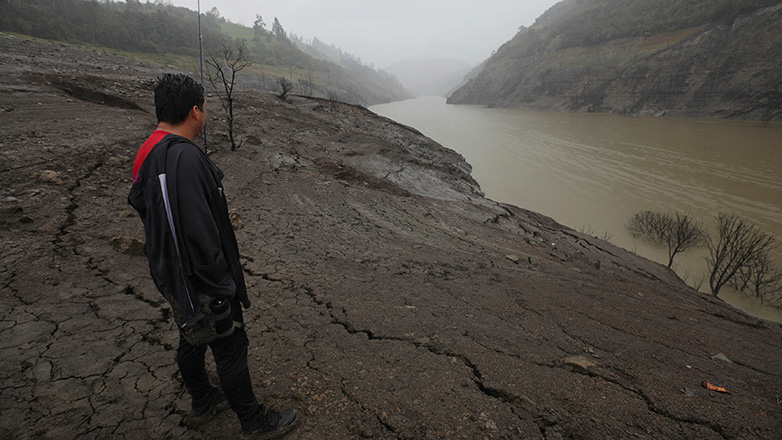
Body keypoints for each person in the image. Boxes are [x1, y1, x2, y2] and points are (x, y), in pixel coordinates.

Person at [128, 73, 297, 439]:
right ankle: (253, 422)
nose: (206, 113)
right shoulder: (185, 158)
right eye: (205, 106)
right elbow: (198, 228)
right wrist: (220, 281)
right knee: (230, 346)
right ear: (195, 111)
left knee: (191, 333)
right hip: (201, 277)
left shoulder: (148, 152)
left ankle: (204, 399)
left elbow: (143, 206)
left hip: (172, 274)